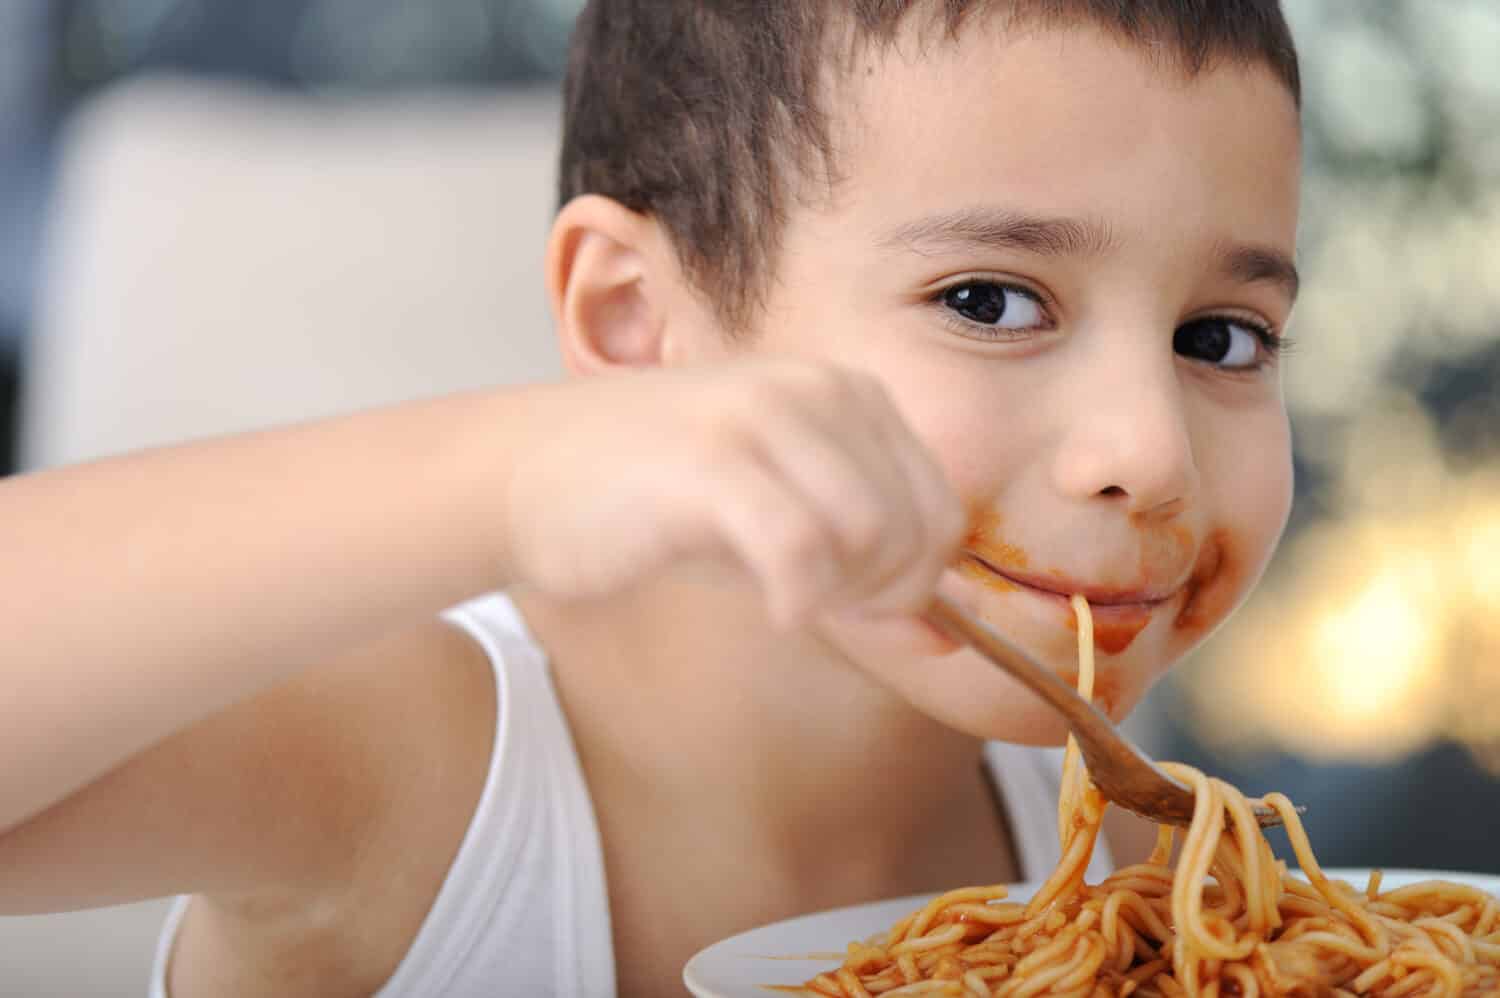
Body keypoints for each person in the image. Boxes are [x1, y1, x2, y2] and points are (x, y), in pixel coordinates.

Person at [0, 2, 1303, 995]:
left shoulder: (1135, 867)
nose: (1155, 450)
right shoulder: (417, 768)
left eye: (1223, 337)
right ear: (634, 324)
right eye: (990, 301)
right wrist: (522, 474)